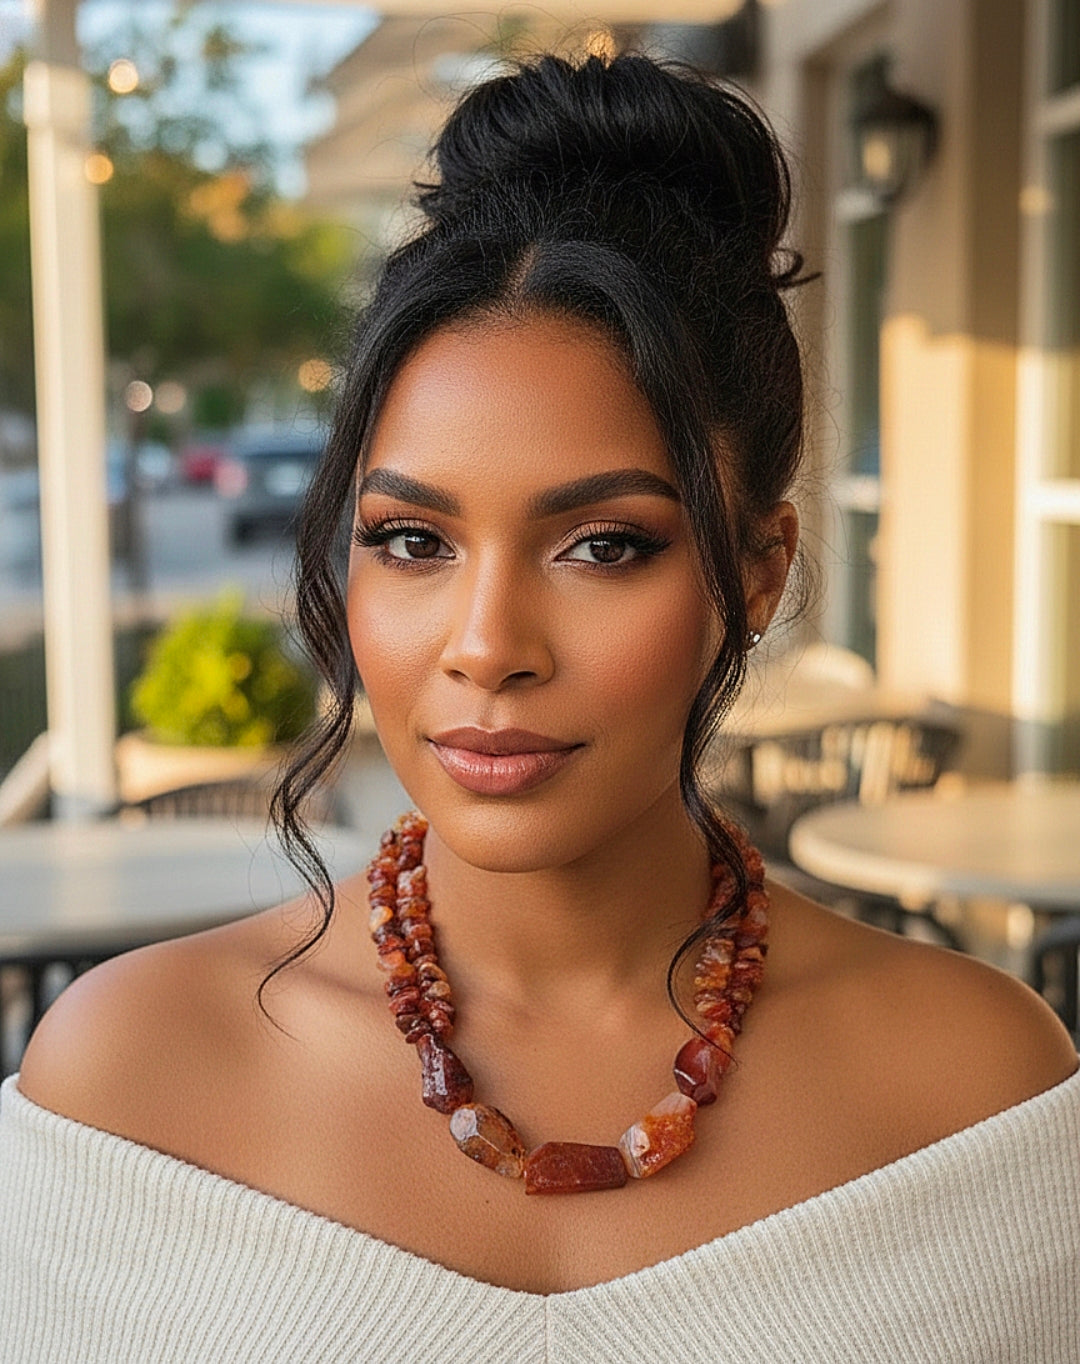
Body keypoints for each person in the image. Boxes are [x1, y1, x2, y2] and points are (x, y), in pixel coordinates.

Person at [2, 51, 1078, 1363]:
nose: (486, 647)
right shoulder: (124, 1079)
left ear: (758, 571)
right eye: (412, 540)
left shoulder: (979, 1089)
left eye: (603, 545)